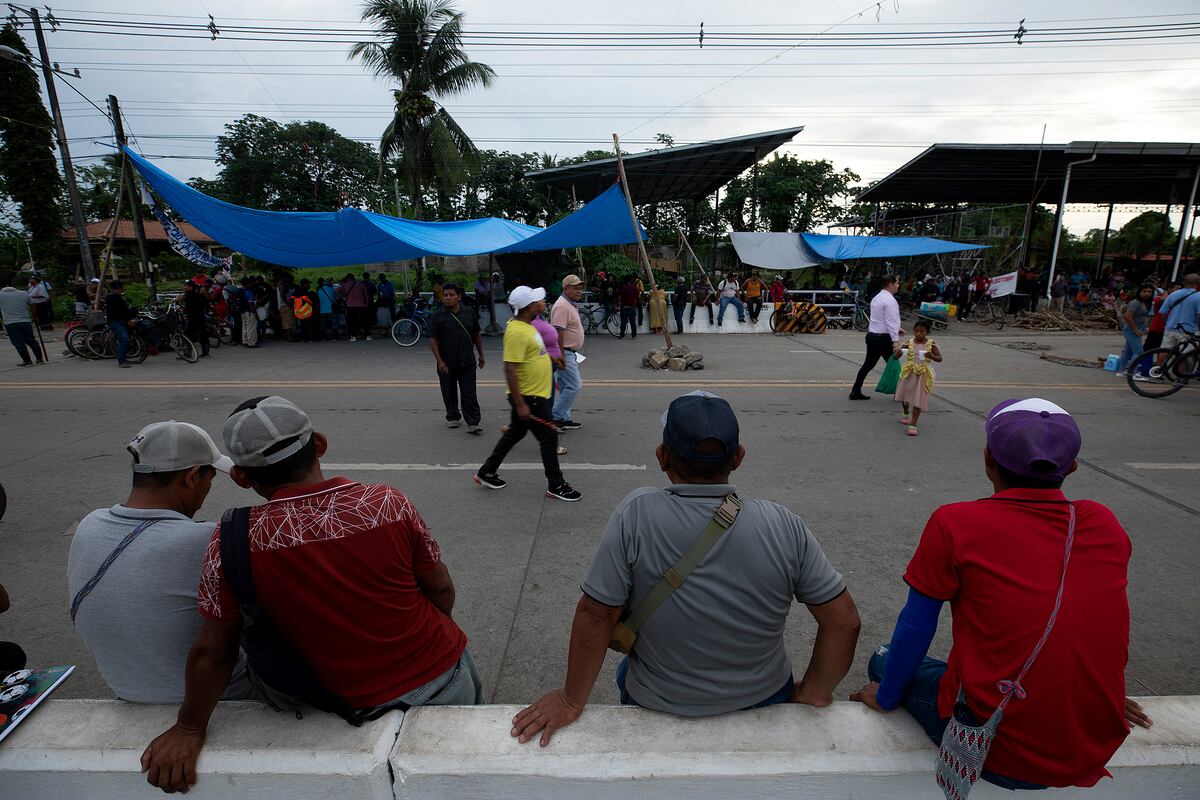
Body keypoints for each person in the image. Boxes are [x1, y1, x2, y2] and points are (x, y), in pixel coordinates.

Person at [140, 396, 481, 794]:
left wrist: (189, 727)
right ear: (319, 443)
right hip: (440, 678)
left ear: (241, 477)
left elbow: (214, 649)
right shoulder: (387, 503)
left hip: (323, 701)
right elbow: (439, 587)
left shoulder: (232, 539)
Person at [511, 391, 860, 746]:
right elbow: (843, 621)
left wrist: (571, 700)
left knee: (625, 670)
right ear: (738, 457)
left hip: (657, 700)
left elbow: (597, 614)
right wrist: (814, 691)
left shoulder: (636, 514)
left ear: (662, 457)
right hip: (766, 696)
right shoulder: (783, 523)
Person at [851, 397, 1152, 790]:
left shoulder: (955, 522)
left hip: (999, 749)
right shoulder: (1103, 522)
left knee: (885, 656)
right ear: (1072, 467)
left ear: (987, 458)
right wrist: (1100, 694)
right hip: (1091, 742)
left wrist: (886, 697)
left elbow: (915, 626)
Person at [68, 421, 250, 703]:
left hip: (126, 692)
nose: (208, 487)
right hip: (222, 698)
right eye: (210, 477)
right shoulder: (209, 539)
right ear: (192, 477)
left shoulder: (89, 526)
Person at [475, 287, 580, 502]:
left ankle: (487, 471)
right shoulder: (517, 332)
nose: (540, 303)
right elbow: (510, 368)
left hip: (533, 394)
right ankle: (556, 485)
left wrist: (552, 359)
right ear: (529, 307)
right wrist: (520, 404)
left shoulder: (527, 325)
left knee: (515, 433)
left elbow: (534, 353)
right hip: (529, 397)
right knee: (549, 438)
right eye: (536, 301)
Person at [429, 283, 485, 434]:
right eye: (445, 295)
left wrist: (481, 355)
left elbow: (476, 334)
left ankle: (473, 422)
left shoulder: (469, 312)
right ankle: (452, 416)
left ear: (459, 296)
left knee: (469, 392)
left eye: (451, 295)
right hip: (446, 361)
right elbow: (433, 339)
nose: (447, 298)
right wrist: (439, 361)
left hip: (467, 360)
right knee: (448, 391)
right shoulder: (438, 315)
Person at [849, 274, 903, 400]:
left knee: (868, 365)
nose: (898, 285)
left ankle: (855, 391)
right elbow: (891, 321)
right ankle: (901, 393)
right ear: (890, 284)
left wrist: (897, 329)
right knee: (895, 366)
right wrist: (895, 340)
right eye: (897, 283)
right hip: (884, 339)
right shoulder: (890, 300)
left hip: (872, 336)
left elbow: (880, 318)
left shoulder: (877, 297)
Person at [894, 319, 942, 436]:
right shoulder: (909, 342)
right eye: (917, 331)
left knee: (918, 398)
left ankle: (913, 424)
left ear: (927, 332)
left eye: (922, 331)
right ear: (914, 331)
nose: (919, 333)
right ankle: (905, 411)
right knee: (905, 394)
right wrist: (899, 353)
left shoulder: (931, 344)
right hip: (909, 373)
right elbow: (895, 357)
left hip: (923, 374)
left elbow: (939, 358)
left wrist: (931, 356)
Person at [550, 274, 586, 430]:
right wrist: (561, 356)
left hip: (570, 352)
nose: (579, 291)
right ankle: (555, 417)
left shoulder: (569, 304)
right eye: (575, 288)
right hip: (565, 352)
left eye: (580, 287)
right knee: (574, 386)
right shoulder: (562, 306)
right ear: (566, 289)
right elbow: (558, 332)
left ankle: (564, 418)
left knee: (566, 386)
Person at [0, 275, 43, 366]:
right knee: (31, 340)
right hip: (25, 321)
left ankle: (27, 361)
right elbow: (33, 305)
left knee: (18, 343)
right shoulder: (24, 293)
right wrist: (35, 317)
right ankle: (39, 359)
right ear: (12, 284)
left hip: (10, 323)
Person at [1117, 284, 1154, 375]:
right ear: (1139, 292)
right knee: (1139, 351)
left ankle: (1121, 371)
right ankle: (1133, 372)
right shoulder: (1135, 302)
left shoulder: (1144, 302)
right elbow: (1127, 317)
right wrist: (1136, 330)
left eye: (1150, 292)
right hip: (1131, 329)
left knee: (1128, 351)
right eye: (1144, 291)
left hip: (1137, 328)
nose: (1147, 293)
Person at [1159, 272, 1200, 353]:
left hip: (1170, 328)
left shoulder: (1174, 294)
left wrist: (1168, 322)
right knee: (1184, 356)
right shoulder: (1198, 296)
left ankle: (1162, 362)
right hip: (1188, 330)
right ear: (1197, 283)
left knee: (1165, 351)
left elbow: (1162, 312)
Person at [181, 279, 212, 358]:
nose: (183, 287)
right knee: (202, 334)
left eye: (185, 285)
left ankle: (188, 353)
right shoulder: (197, 294)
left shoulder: (190, 295)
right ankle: (205, 352)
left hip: (193, 318)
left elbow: (184, 300)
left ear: (190, 287)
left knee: (187, 335)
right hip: (199, 317)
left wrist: (176, 300)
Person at [338, 273, 371, 341]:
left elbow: (336, 291)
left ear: (348, 278)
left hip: (350, 306)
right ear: (353, 277)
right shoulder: (361, 284)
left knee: (351, 322)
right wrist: (367, 304)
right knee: (365, 321)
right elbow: (366, 294)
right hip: (361, 306)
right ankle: (368, 336)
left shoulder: (345, 285)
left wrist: (343, 297)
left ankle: (353, 336)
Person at [238, 277, 260, 348]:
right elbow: (251, 304)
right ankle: (251, 343)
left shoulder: (240, 290)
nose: (252, 284)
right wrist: (255, 314)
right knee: (251, 328)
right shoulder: (249, 292)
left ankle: (245, 341)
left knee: (244, 327)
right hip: (249, 312)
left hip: (242, 311)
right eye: (250, 283)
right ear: (247, 283)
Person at [618, 274, 640, 339]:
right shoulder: (635, 288)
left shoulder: (622, 288)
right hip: (632, 307)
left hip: (624, 307)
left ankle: (622, 335)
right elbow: (637, 298)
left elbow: (619, 297)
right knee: (632, 322)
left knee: (623, 323)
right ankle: (633, 335)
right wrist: (633, 304)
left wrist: (619, 304)